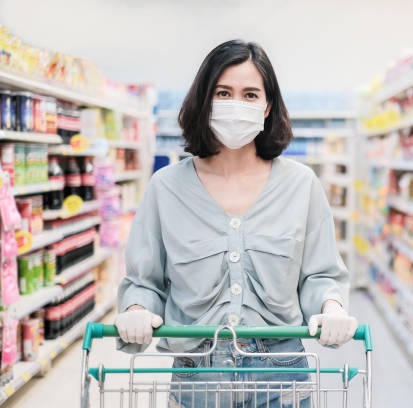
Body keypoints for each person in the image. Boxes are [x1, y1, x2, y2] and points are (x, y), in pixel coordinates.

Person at [114, 39, 358, 408]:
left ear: (267, 106)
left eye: (249, 95)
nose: (236, 105)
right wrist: (135, 310)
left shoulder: (301, 185)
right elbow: (144, 281)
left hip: (283, 374)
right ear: (204, 101)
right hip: (197, 378)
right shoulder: (166, 188)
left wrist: (332, 307)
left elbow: (319, 275)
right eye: (223, 93)